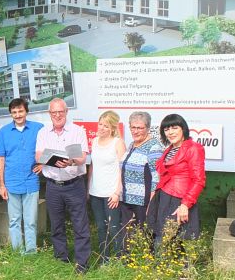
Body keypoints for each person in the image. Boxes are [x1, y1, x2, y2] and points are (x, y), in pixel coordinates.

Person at [35, 98, 90, 273]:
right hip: (52, 186)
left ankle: (82, 263)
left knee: (80, 225)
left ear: (66, 112)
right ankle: (61, 258)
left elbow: (83, 158)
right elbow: (38, 156)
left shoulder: (77, 131)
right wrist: (53, 161)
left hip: (74, 185)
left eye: (61, 111)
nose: (57, 115)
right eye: (54, 112)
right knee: (56, 225)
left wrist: (71, 161)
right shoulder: (43, 133)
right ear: (49, 114)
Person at [147, 114, 206, 251]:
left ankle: (181, 271)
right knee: (161, 237)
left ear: (183, 129)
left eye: (174, 127)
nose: (170, 132)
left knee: (177, 239)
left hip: (179, 199)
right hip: (163, 197)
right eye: (167, 129)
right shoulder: (170, 149)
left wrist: (185, 204)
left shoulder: (193, 148)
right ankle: (162, 269)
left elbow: (198, 180)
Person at [0, 98, 43, 253]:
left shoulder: (38, 129)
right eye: (14, 112)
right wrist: (2, 185)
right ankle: (17, 250)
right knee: (14, 220)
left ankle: (30, 250)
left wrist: (43, 164)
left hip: (31, 181)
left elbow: (48, 149)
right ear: (10, 114)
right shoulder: (3, 132)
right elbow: (0, 159)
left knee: (30, 220)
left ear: (26, 111)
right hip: (11, 182)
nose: (17, 115)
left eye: (20, 111)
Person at [119, 111, 164, 254]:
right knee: (128, 234)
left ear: (148, 128)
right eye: (133, 127)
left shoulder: (154, 147)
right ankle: (128, 261)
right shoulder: (132, 144)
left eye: (140, 128)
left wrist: (152, 202)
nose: (135, 131)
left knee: (145, 234)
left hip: (143, 201)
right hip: (126, 198)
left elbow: (157, 176)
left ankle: (146, 262)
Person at [88, 110, 126, 263]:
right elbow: (92, 165)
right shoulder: (95, 141)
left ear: (113, 128)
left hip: (111, 193)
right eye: (100, 124)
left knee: (114, 227)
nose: (102, 128)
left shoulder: (118, 143)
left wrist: (117, 192)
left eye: (106, 126)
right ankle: (104, 258)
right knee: (101, 227)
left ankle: (118, 260)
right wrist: (87, 188)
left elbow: (122, 169)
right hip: (95, 192)